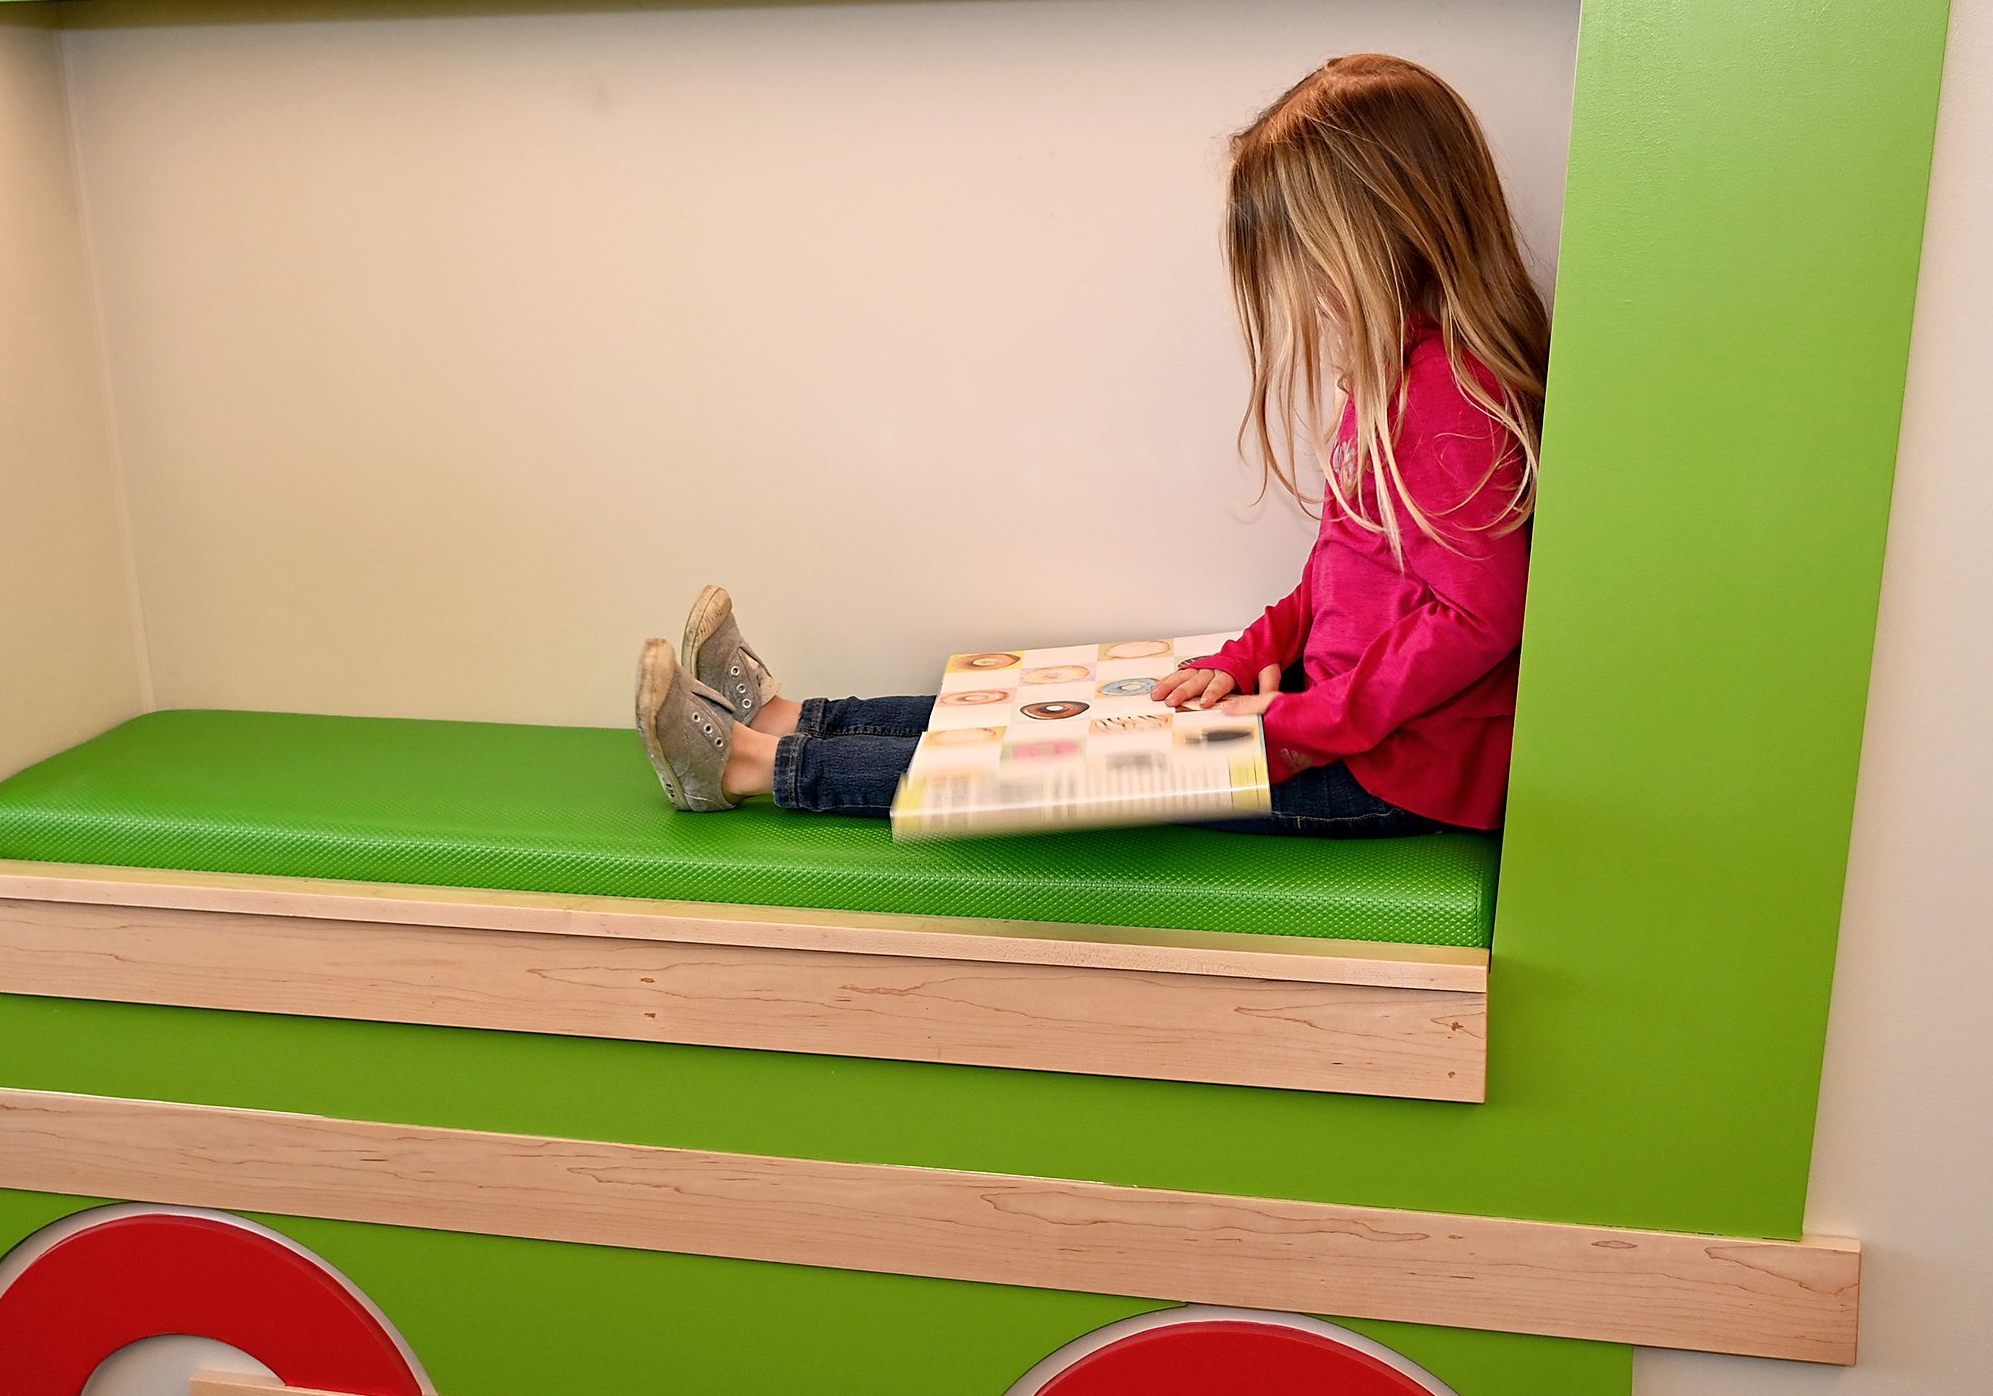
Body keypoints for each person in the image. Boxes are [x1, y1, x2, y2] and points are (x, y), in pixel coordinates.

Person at [633, 53, 1550, 839]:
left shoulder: (1455, 398)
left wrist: (1306, 723)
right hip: (1337, 719)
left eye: (1309, 259)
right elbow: (1340, 575)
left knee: (1069, 765)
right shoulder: (1399, 377)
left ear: (1382, 233)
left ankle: (749, 766)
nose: (1305, 292)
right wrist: (1241, 659)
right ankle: (791, 717)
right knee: (1061, 718)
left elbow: (1480, 618)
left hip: (1391, 774)